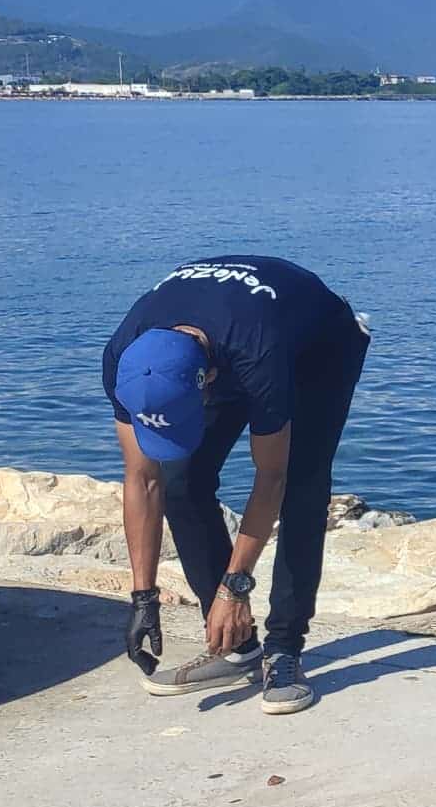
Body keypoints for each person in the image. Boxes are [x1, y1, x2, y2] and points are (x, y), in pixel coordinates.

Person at [106, 256, 368, 716]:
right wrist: (143, 599)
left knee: (301, 484)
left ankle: (284, 649)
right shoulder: (123, 358)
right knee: (182, 482)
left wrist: (235, 586)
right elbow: (142, 478)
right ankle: (238, 645)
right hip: (217, 344)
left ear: (206, 384)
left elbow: (271, 477)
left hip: (318, 346)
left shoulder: (259, 352)